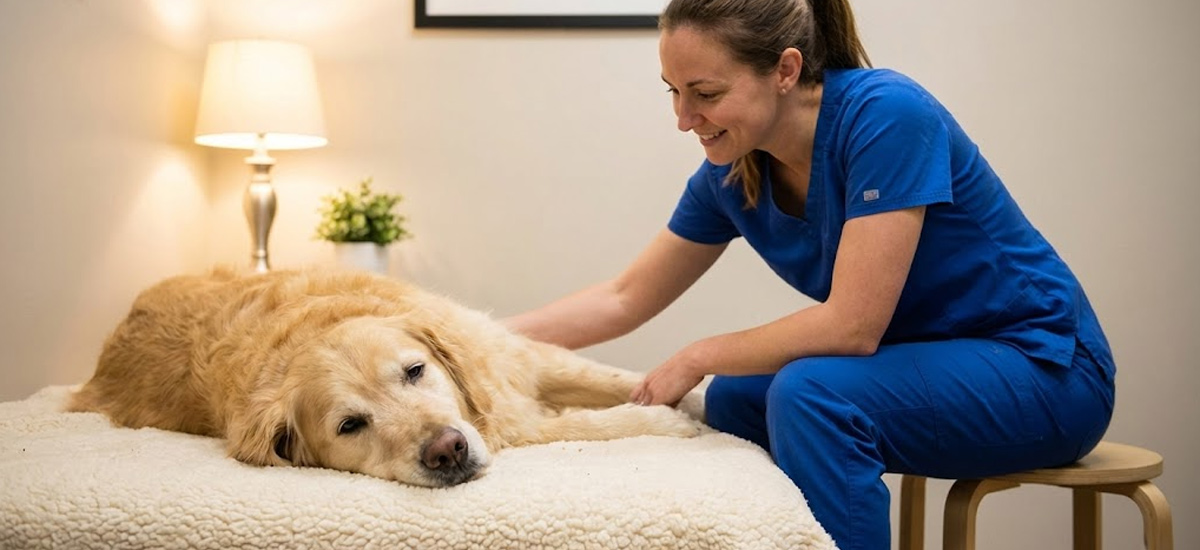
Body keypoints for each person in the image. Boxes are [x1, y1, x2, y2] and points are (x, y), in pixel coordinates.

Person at [504, 0, 1116, 548]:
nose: (684, 118)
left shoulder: (888, 115)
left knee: (810, 394)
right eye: (672, 91)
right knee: (739, 400)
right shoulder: (730, 174)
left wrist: (699, 353)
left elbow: (853, 327)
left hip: (1046, 370)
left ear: (786, 70)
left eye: (706, 93)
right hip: (938, 362)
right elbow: (623, 297)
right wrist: (459, 338)